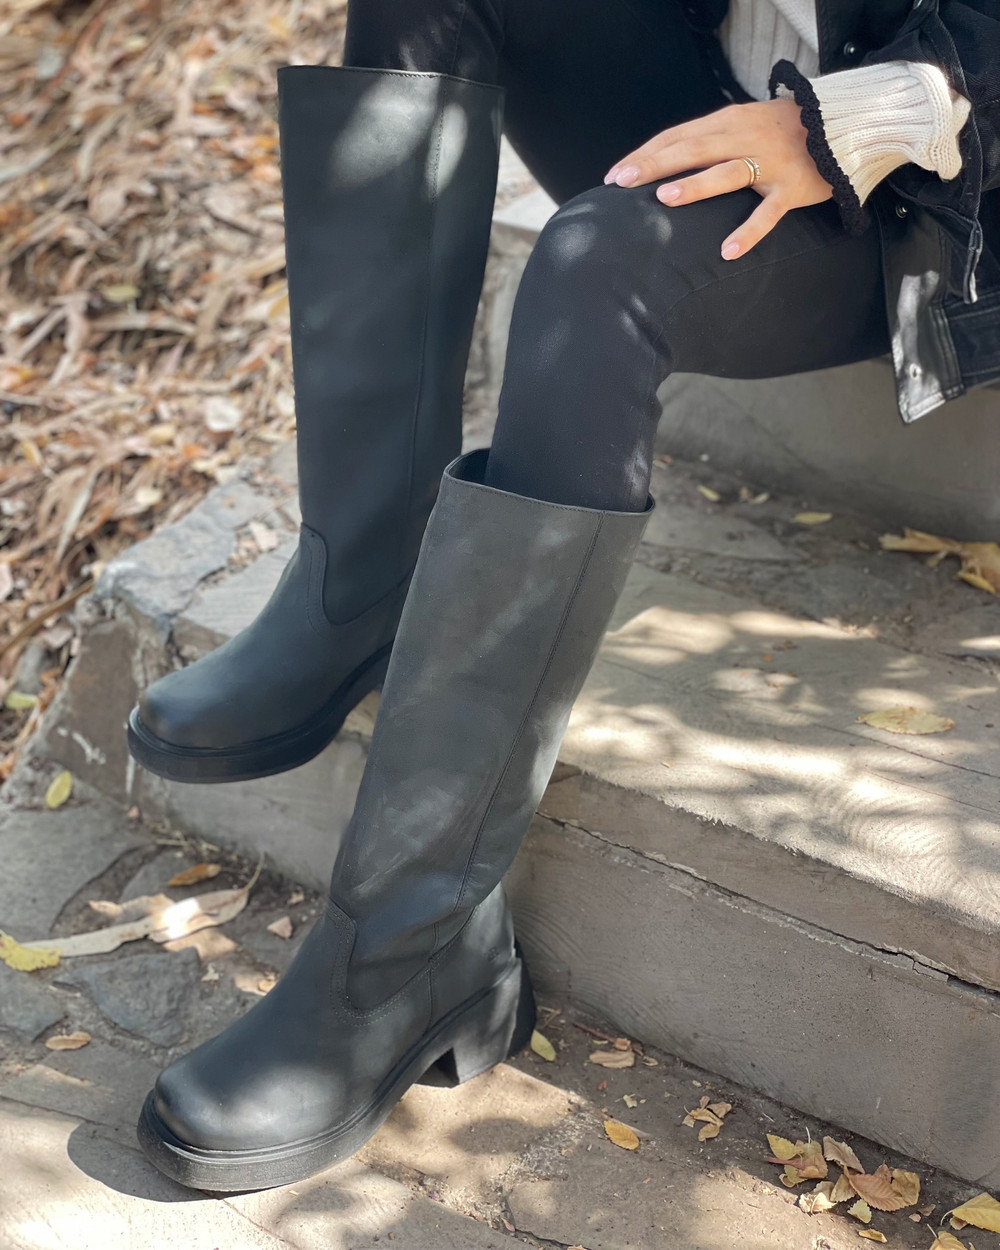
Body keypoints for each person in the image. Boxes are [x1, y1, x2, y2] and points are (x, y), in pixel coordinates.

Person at [132, 0, 999, 1192]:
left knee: (599, 266)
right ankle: (359, 588)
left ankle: (408, 953)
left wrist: (842, 123)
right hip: (723, 69)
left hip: (920, 178)